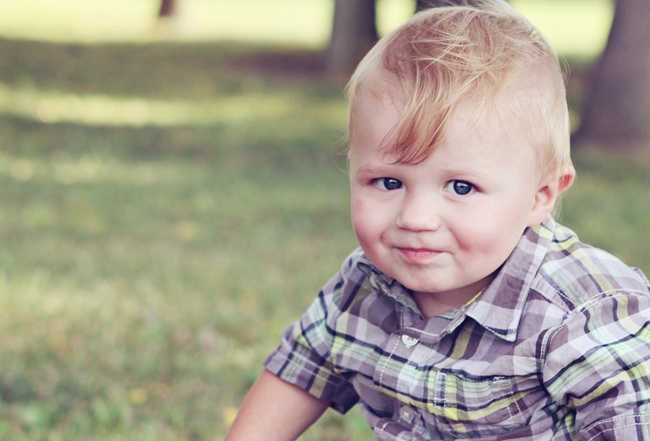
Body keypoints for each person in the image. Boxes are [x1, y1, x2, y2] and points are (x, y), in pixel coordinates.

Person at [225, 0, 650, 439]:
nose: (416, 218)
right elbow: (303, 368)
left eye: (461, 188)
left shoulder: (579, 314)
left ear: (540, 196)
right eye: (388, 182)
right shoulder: (365, 285)